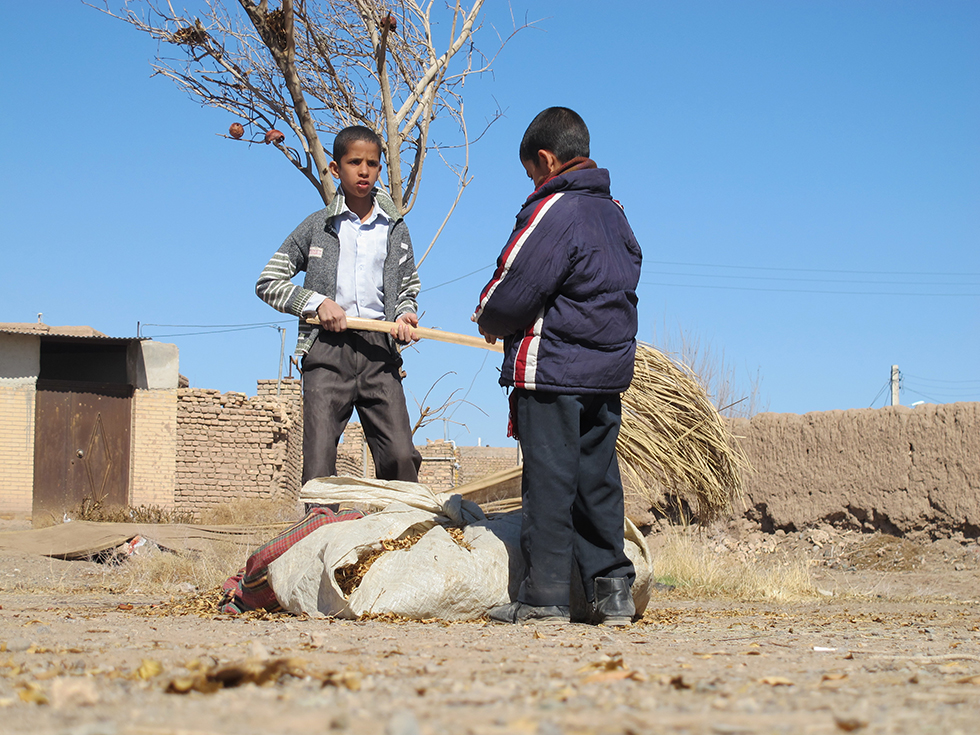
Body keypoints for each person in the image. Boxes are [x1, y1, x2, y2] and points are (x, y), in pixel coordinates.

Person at [472, 107, 642, 626]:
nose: (532, 182)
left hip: (553, 372)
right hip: (605, 374)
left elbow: (517, 282)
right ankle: (611, 594)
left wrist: (488, 315)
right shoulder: (615, 213)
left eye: (531, 172)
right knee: (597, 480)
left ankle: (544, 597)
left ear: (546, 160)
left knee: (549, 480)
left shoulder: (555, 209)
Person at [256, 125, 422, 493]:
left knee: (400, 455)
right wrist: (316, 303)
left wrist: (404, 315)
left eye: (372, 164)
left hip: (380, 351)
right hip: (327, 352)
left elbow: (408, 287)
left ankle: (402, 531)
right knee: (319, 462)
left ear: (380, 169)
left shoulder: (395, 229)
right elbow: (268, 282)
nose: (363, 171)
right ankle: (319, 528)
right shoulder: (317, 227)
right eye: (354, 162)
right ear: (335, 168)